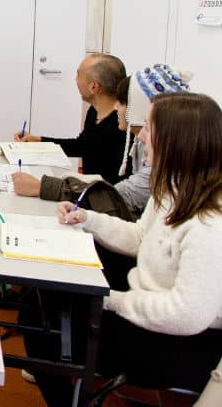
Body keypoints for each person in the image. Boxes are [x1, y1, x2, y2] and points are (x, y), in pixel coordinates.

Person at [23, 92, 222, 407]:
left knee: (41, 324)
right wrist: (88, 220)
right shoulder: (173, 187)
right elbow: (142, 236)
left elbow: (187, 315)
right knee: (42, 300)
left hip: (174, 343)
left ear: (175, 141)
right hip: (147, 314)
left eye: (149, 129)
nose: (140, 135)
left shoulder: (210, 222)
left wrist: (110, 301)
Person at [12, 64, 191, 219]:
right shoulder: (141, 142)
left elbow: (119, 196)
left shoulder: (164, 160)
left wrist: (44, 187)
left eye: (121, 103)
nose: (116, 108)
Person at [15, 53, 127, 184]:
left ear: (94, 87)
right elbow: (82, 145)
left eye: (78, 75)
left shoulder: (120, 126)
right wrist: (38, 140)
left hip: (100, 196)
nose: (75, 80)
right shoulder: (95, 111)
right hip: (87, 190)